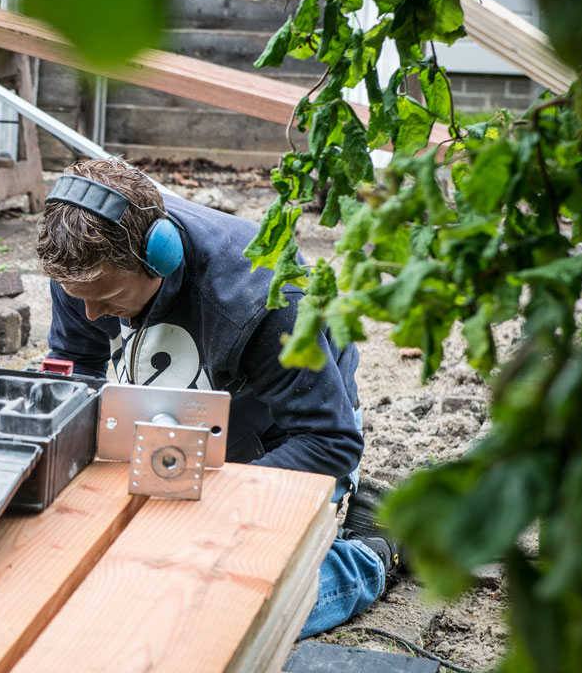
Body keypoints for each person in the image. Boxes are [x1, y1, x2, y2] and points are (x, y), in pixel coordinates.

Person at [37, 158, 401, 637]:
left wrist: (207, 500)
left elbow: (330, 442)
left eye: (107, 298)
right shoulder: (85, 265)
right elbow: (74, 366)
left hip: (283, 444)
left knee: (217, 608)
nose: (90, 313)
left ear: (159, 258)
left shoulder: (265, 299)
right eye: (76, 295)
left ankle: (373, 551)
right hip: (187, 421)